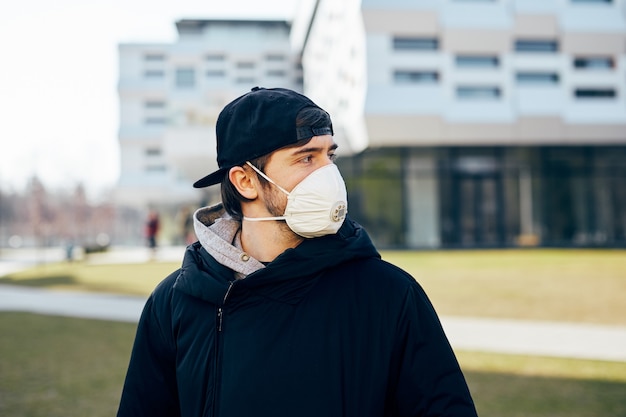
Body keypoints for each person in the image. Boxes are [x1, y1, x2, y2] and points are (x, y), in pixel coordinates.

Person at [117, 87, 477, 417]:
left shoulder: (389, 295)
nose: (329, 175)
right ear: (245, 181)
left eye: (329, 155)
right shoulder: (175, 302)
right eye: (306, 158)